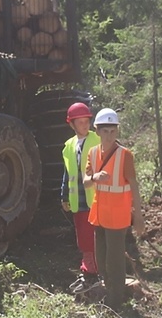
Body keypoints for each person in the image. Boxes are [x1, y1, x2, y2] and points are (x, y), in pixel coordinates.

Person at [83, 107, 144, 311]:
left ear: (117, 131)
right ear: (97, 131)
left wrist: (139, 216)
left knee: (115, 261)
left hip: (117, 217)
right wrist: (94, 178)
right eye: (105, 131)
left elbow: (134, 186)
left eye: (112, 131)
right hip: (99, 215)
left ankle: (116, 301)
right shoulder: (92, 153)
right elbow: (85, 182)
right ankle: (111, 291)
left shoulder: (125, 155)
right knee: (101, 260)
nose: (109, 135)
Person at [60, 102, 101, 294]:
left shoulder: (97, 141)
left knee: (96, 235)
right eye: (81, 122)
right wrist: (64, 195)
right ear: (72, 124)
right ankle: (89, 270)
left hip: (96, 199)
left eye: (87, 121)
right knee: (83, 236)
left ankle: (96, 271)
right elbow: (67, 173)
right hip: (78, 199)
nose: (85, 125)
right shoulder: (69, 145)